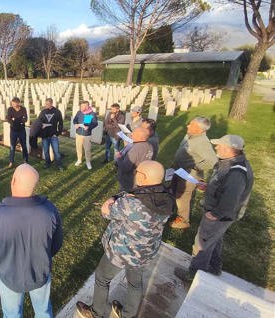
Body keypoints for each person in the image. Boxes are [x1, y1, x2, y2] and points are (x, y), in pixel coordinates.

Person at [76, 161, 175, 318]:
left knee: (102, 278)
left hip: (122, 252)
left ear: (143, 177)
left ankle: (95, 312)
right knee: (135, 283)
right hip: (145, 252)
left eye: (137, 172)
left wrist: (111, 200)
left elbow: (106, 212)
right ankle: (128, 315)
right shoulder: (168, 198)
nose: (135, 175)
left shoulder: (131, 203)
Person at [0, 164, 63, 318]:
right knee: (43, 312)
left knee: (12, 315)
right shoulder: (50, 211)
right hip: (40, 275)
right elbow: (56, 245)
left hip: (8, 277)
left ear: (13, 181)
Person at [175, 135, 253, 282]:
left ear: (231, 149)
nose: (216, 148)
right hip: (221, 214)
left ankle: (194, 274)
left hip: (219, 214)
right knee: (215, 239)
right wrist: (209, 186)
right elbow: (223, 186)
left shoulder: (236, 173)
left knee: (202, 243)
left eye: (219, 146)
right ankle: (214, 266)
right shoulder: (228, 162)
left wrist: (215, 214)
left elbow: (231, 198)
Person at [170, 117, 217, 229]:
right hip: (179, 170)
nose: (187, 126)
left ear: (200, 130)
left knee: (183, 196)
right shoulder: (190, 135)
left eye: (191, 125)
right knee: (175, 191)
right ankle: (173, 211)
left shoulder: (202, 142)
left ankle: (183, 220)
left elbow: (212, 162)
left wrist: (195, 166)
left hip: (188, 175)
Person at [115, 127, 154, 191]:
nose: (131, 134)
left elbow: (125, 168)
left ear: (142, 138)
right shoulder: (150, 146)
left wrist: (119, 158)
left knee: (125, 196)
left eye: (135, 133)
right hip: (140, 179)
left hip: (129, 181)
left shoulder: (135, 149)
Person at [37, 97, 63, 170]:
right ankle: (47, 163)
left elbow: (60, 123)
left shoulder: (57, 112)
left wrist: (58, 133)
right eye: (46, 104)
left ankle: (59, 165)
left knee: (56, 151)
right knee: (46, 151)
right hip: (45, 135)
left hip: (54, 135)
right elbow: (39, 121)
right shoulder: (43, 112)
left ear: (51, 103)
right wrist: (41, 127)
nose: (46, 105)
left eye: (48, 104)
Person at [73, 100, 98, 170]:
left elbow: (95, 123)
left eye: (83, 106)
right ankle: (79, 159)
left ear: (87, 106)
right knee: (78, 148)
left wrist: (89, 127)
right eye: (81, 106)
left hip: (87, 135)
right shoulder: (79, 112)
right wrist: (75, 124)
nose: (81, 107)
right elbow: (75, 120)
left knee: (87, 149)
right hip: (78, 133)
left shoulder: (92, 114)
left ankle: (88, 161)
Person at [7, 96, 28, 168]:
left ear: (18, 103)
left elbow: (25, 119)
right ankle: (11, 161)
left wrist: (15, 120)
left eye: (14, 103)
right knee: (12, 146)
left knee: (24, 146)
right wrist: (18, 122)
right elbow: (9, 119)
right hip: (13, 131)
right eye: (12, 103)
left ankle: (25, 160)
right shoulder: (10, 109)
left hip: (22, 131)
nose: (12, 105)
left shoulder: (23, 109)